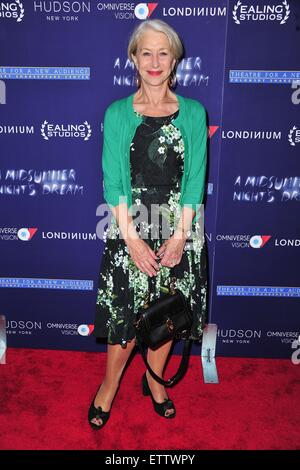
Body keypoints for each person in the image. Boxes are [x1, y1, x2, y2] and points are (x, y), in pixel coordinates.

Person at [89, 19, 208, 429]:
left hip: (180, 230)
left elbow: (194, 181)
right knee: (125, 322)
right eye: (146, 52)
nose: (154, 61)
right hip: (130, 228)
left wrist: (179, 239)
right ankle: (108, 387)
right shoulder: (117, 113)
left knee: (168, 316)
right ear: (133, 59)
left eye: (163, 53)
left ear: (174, 60)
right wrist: (134, 242)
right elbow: (113, 182)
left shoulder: (193, 113)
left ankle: (156, 383)